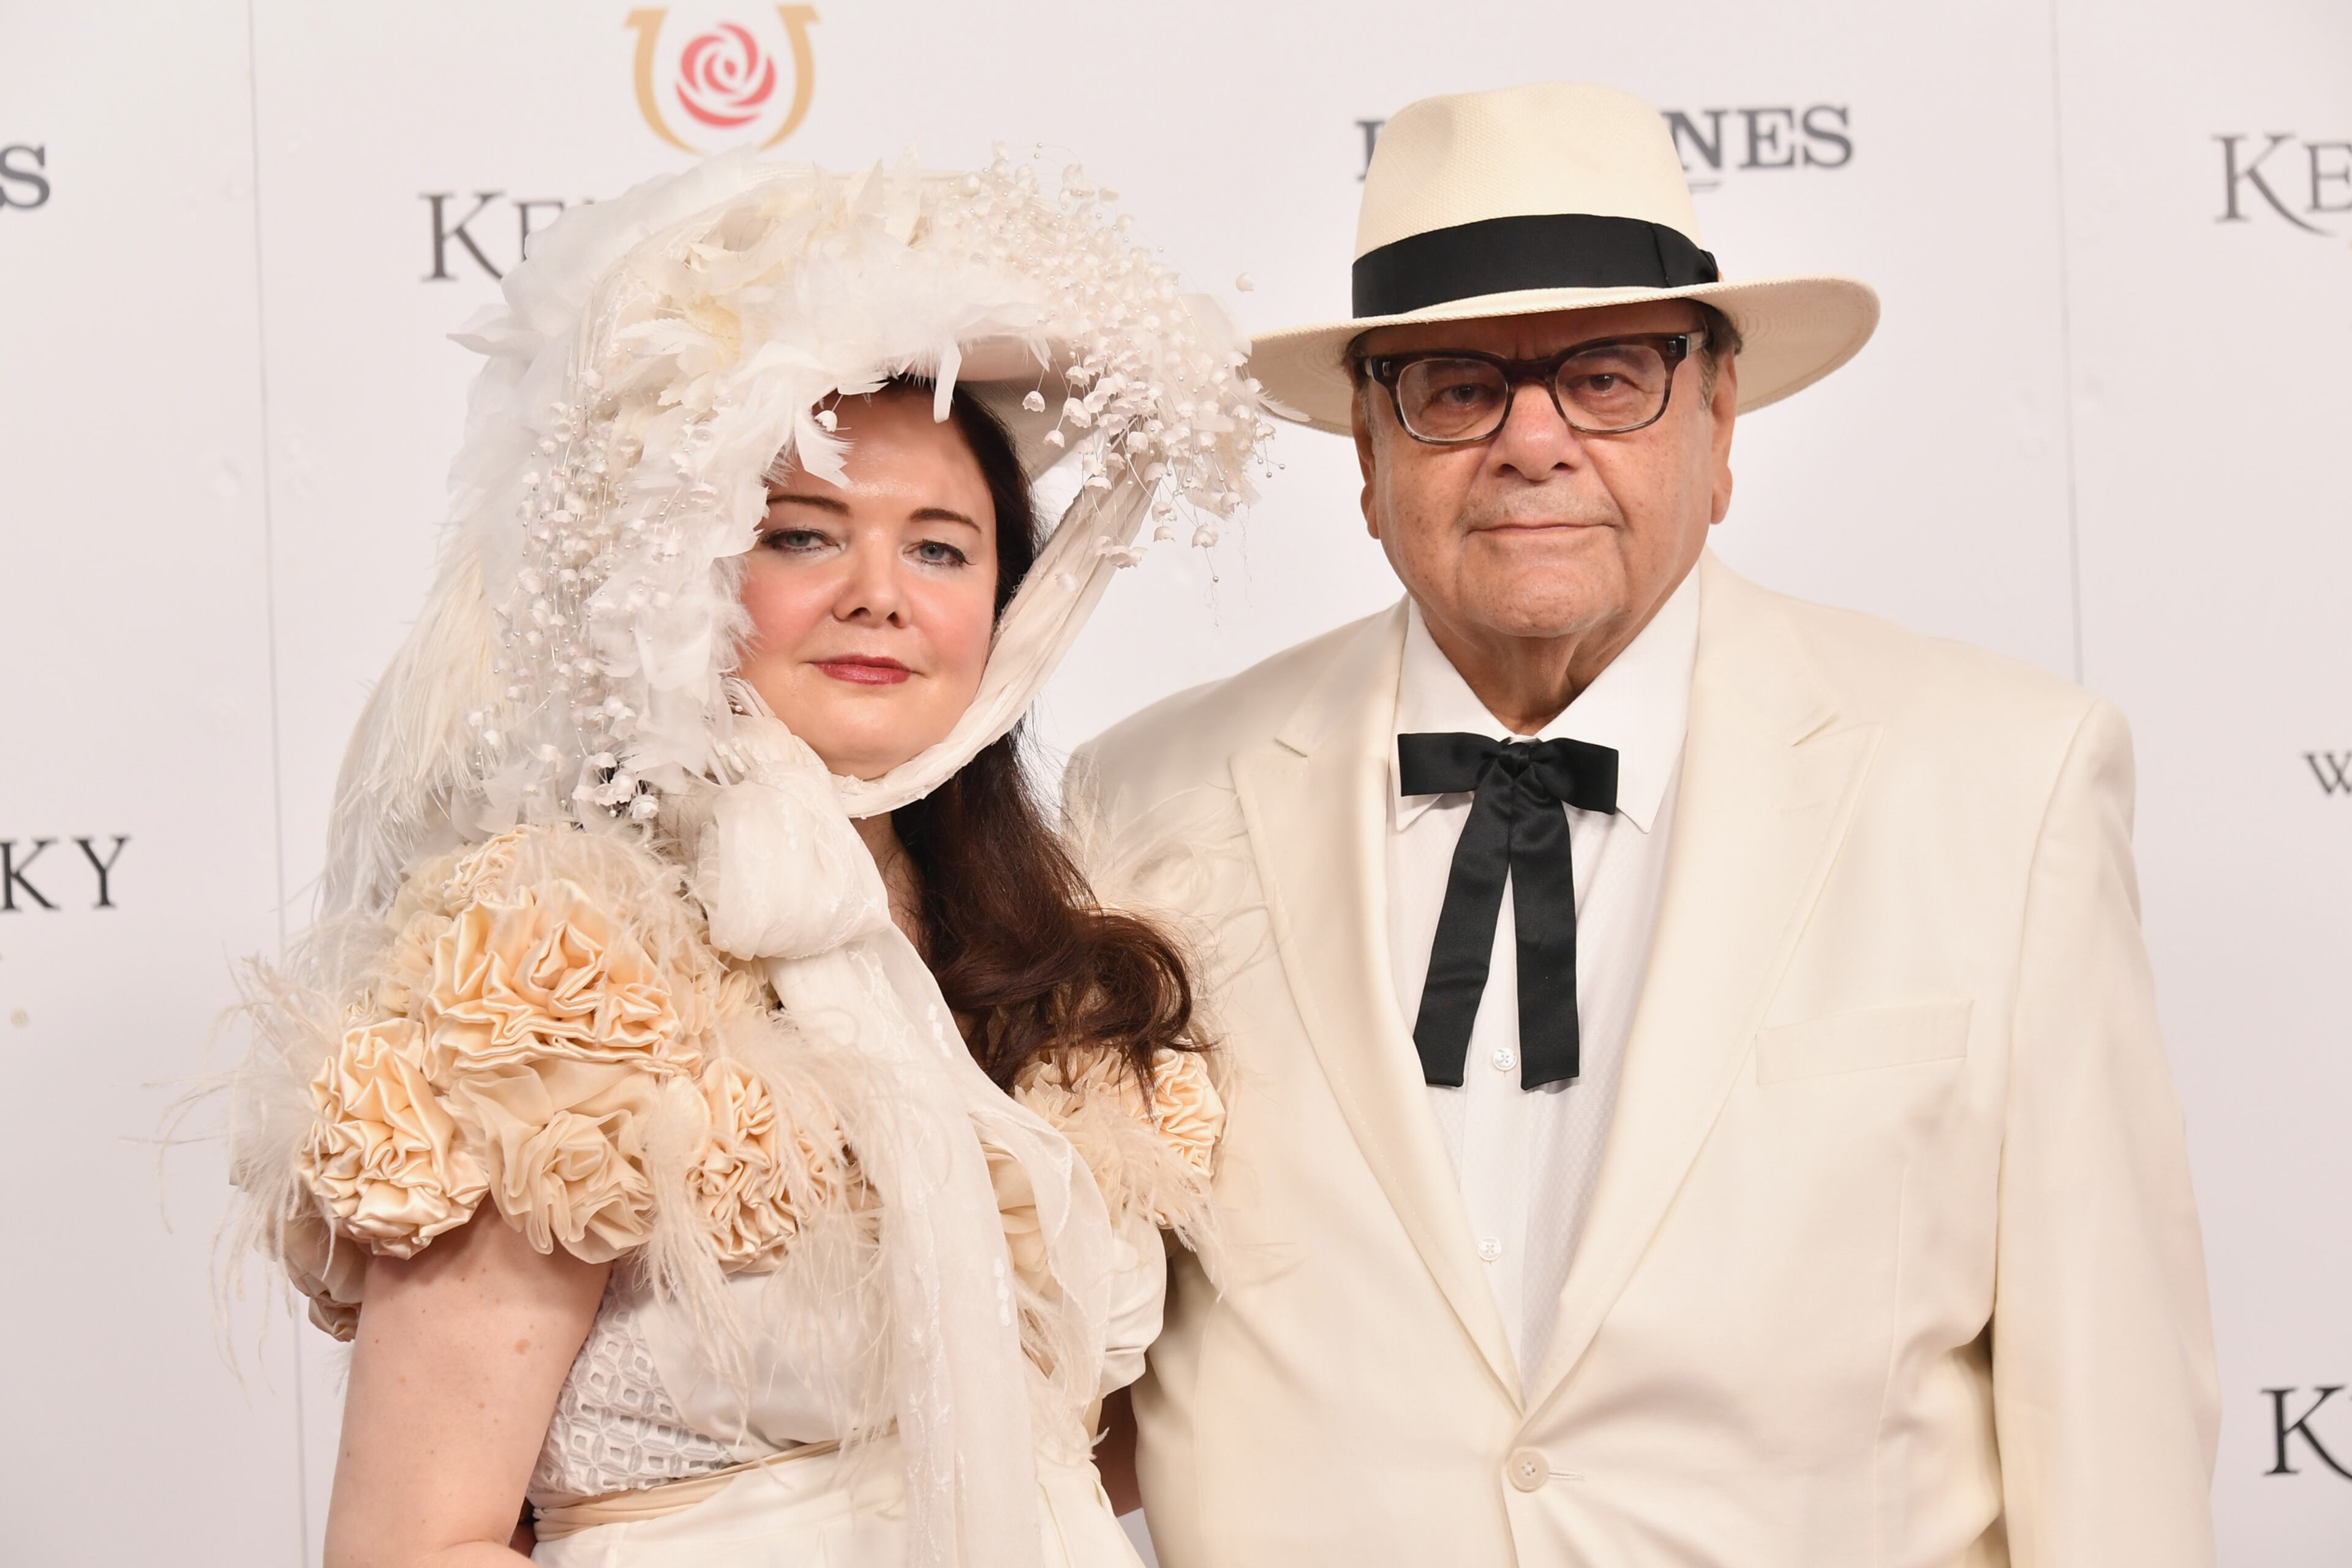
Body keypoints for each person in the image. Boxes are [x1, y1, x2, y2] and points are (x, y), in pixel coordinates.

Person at [1068, 82, 2219, 1567]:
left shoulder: (2004, 781)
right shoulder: (1140, 798)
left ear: (1720, 416)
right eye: (1457, 385)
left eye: (1608, 377)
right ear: (1368, 447)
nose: (1533, 442)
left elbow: (2112, 1412)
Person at [219, 153, 1267, 1568]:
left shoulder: (1056, 979)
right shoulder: (563, 967)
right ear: (691, 574)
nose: (878, 596)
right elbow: (414, 1542)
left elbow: (1078, 1456)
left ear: (1007, 609)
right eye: (802, 533)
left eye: (942, 549)